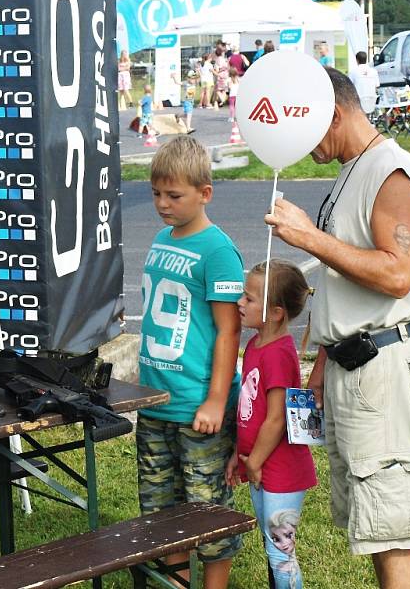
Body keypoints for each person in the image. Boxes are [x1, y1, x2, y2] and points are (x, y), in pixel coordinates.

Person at [264, 67, 410, 589]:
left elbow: (397, 274)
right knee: (371, 521)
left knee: (392, 529)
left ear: (336, 113)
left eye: (307, 129)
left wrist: (307, 238)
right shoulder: (352, 169)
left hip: (383, 370)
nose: (300, 146)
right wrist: (320, 363)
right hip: (352, 364)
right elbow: (348, 288)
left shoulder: (391, 171)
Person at [137, 135, 245, 588]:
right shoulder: (163, 238)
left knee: (206, 512)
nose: (163, 204)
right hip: (155, 401)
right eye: (157, 193)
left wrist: (217, 399)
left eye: (174, 195)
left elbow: (228, 330)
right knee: (162, 515)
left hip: (198, 406)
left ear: (205, 194)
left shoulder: (218, 252)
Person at [225, 260, 317, 589]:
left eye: (249, 299)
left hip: (280, 472)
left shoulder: (278, 354)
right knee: (272, 549)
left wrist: (256, 461)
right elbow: (252, 409)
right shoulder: (254, 345)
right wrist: (242, 453)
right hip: (259, 464)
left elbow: (276, 418)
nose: (240, 302)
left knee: (281, 553)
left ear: (276, 312)